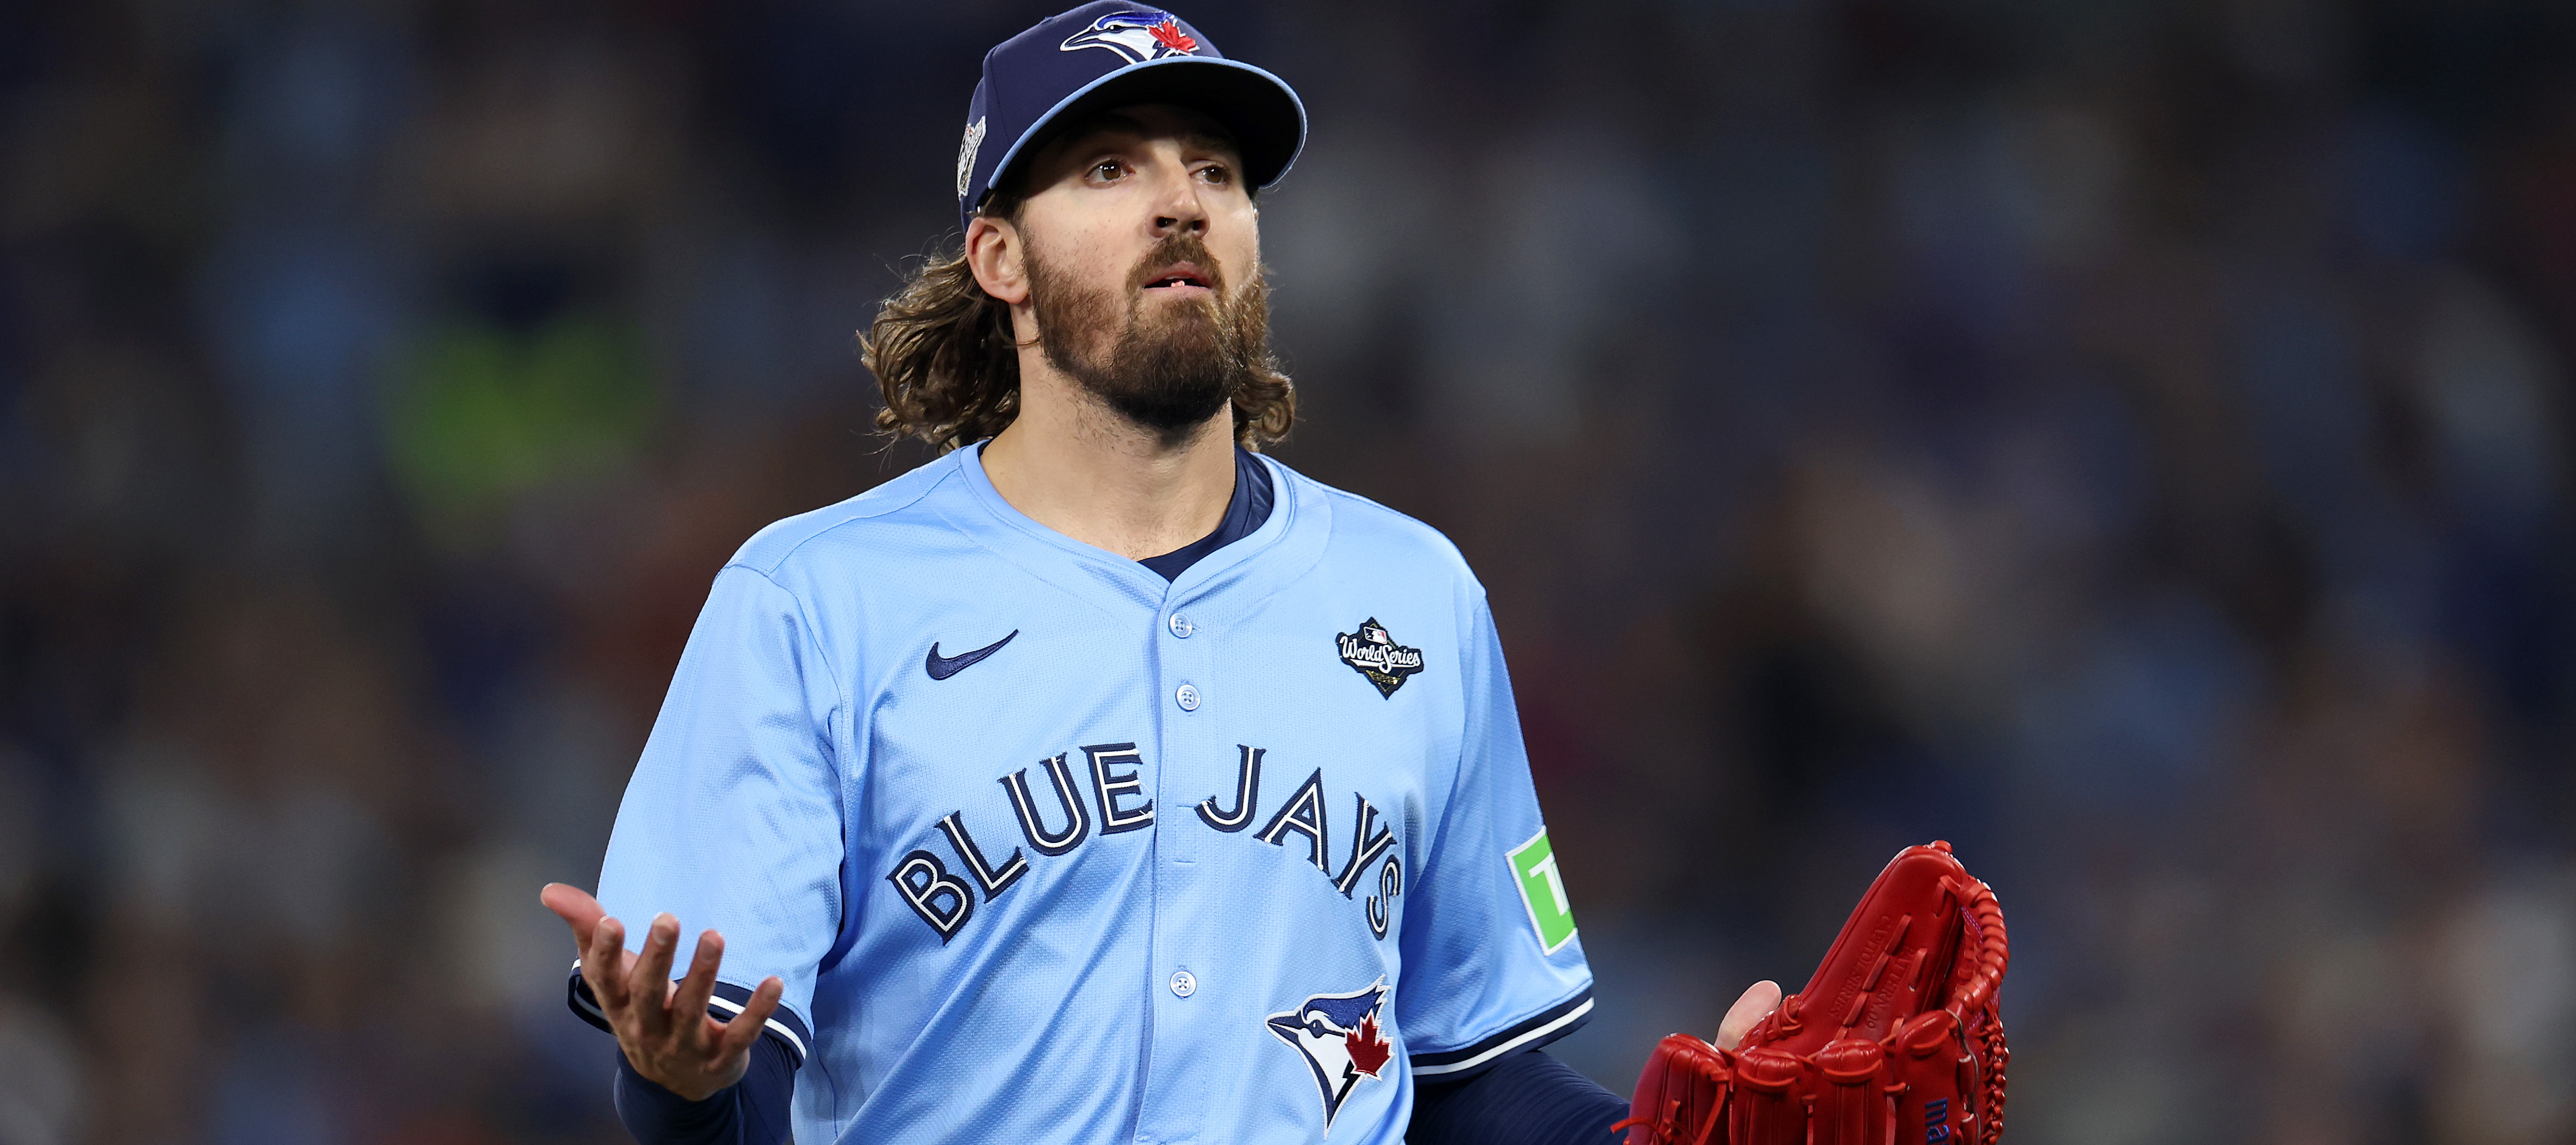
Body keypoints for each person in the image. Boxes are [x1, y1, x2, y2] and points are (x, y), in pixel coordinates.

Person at [538, 5, 1778, 1142]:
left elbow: (1471, 1073)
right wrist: (676, 1091)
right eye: (1110, 169)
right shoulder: (814, 602)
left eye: (1217, 173)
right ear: (1000, 260)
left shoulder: (1418, 595)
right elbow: (724, 1065)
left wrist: (1673, 1133)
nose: (1181, 202)